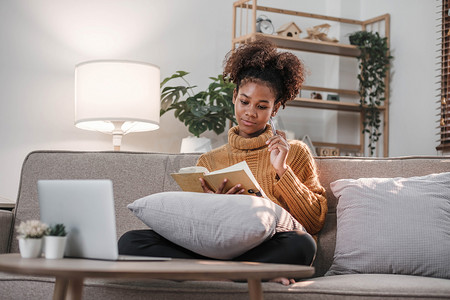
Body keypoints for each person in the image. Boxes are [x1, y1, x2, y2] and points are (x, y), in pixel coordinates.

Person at [118, 39, 328, 285]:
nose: (250, 112)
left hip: (263, 248)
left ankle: (212, 274)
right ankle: (241, 274)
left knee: (302, 244)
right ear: (234, 96)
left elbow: (314, 221)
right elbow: (191, 225)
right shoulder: (210, 159)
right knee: (130, 241)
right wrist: (212, 203)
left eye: (262, 106)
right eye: (244, 101)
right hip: (213, 248)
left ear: (276, 108)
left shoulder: (294, 152)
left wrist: (283, 171)